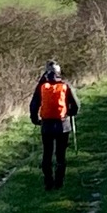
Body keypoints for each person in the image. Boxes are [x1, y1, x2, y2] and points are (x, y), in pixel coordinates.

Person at [30, 60, 80, 191]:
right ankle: (59, 182)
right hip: (63, 125)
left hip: (46, 125)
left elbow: (34, 104)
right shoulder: (65, 85)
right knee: (60, 154)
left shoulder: (42, 87)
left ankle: (48, 182)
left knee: (47, 153)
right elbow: (76, 105)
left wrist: (35, 119)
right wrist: (70, 113)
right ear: (59, 72)